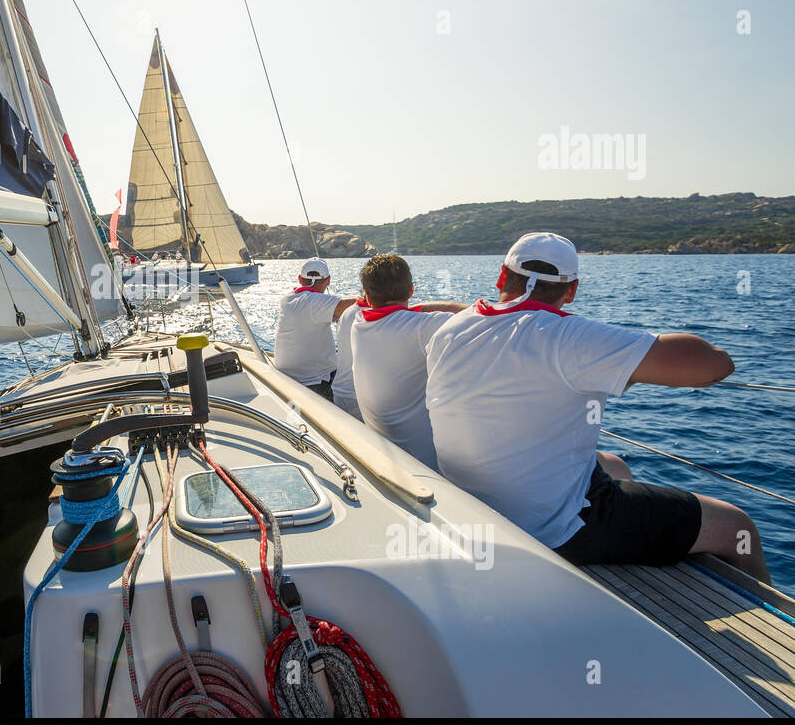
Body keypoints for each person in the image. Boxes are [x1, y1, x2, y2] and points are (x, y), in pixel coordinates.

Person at [424, 232, 769, 580]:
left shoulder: (452, 329)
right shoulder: (569, 338)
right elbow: (713, 365)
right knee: (738, 529)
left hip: (473, 508)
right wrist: (627, 364)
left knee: (615, 465)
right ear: (571, 290)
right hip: (549, 531)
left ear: (501, 276)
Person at [348, 254, 466, 466]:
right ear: (411, 290)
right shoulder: (423, 327)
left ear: (366, 296)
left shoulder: (358, 322)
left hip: (382, 445)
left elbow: (403, 314)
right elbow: (475, 318)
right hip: (424, 459)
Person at [273, 257, 352, 399]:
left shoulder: (288, 299)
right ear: (328, 280)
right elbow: (345, 307)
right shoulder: (313, 302)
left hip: (286, 378)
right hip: (315, 383)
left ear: (299, 279)